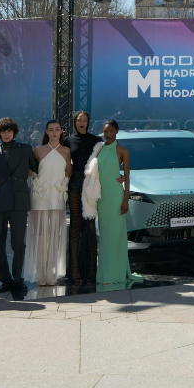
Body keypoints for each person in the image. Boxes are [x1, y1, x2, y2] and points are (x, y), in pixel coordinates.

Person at [0, 117, 38, 298]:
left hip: (19, 200)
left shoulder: (26, 149)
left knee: (18, 243)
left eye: (9, 130)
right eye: (3, 131)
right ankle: (5, 280)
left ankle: (18, 280)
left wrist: (22, 179)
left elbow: (36, 168)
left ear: (14, 132)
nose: (7, 134)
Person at [86, 120, 132, 287]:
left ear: (117, 132)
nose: (108, 134)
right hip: (101, 197)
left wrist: (125, 200)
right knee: (105, 235)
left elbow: (127, 178)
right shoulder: (98, 149)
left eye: (111, 131)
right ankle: (105, 273)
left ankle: (116, 273)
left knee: (116, 235)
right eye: (105, 131)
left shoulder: (123, 150)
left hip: (116, 196)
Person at [26, 120, 71, 286]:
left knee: (55, 235)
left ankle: (51, 272)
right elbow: (29, 173)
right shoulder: (38, 150)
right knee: (39, 235)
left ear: (61, 132)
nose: (54, 132)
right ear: (46, 131)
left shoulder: (66, 151)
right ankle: (41, 273)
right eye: (51, 129)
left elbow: (69, 173)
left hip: (58, 197)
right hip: (40, 197)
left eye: (57, 129)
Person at [65, 110, 100, 286]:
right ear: (74, 122)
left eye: (85, 120)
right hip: (74, 183)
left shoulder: (96, 141)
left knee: (91, 226)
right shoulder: (67, 141)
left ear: (88, 122)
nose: (82, 122)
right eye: (79, 120)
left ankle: (92, 271)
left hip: (91, 184)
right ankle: (75, 270)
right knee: (76, 226)